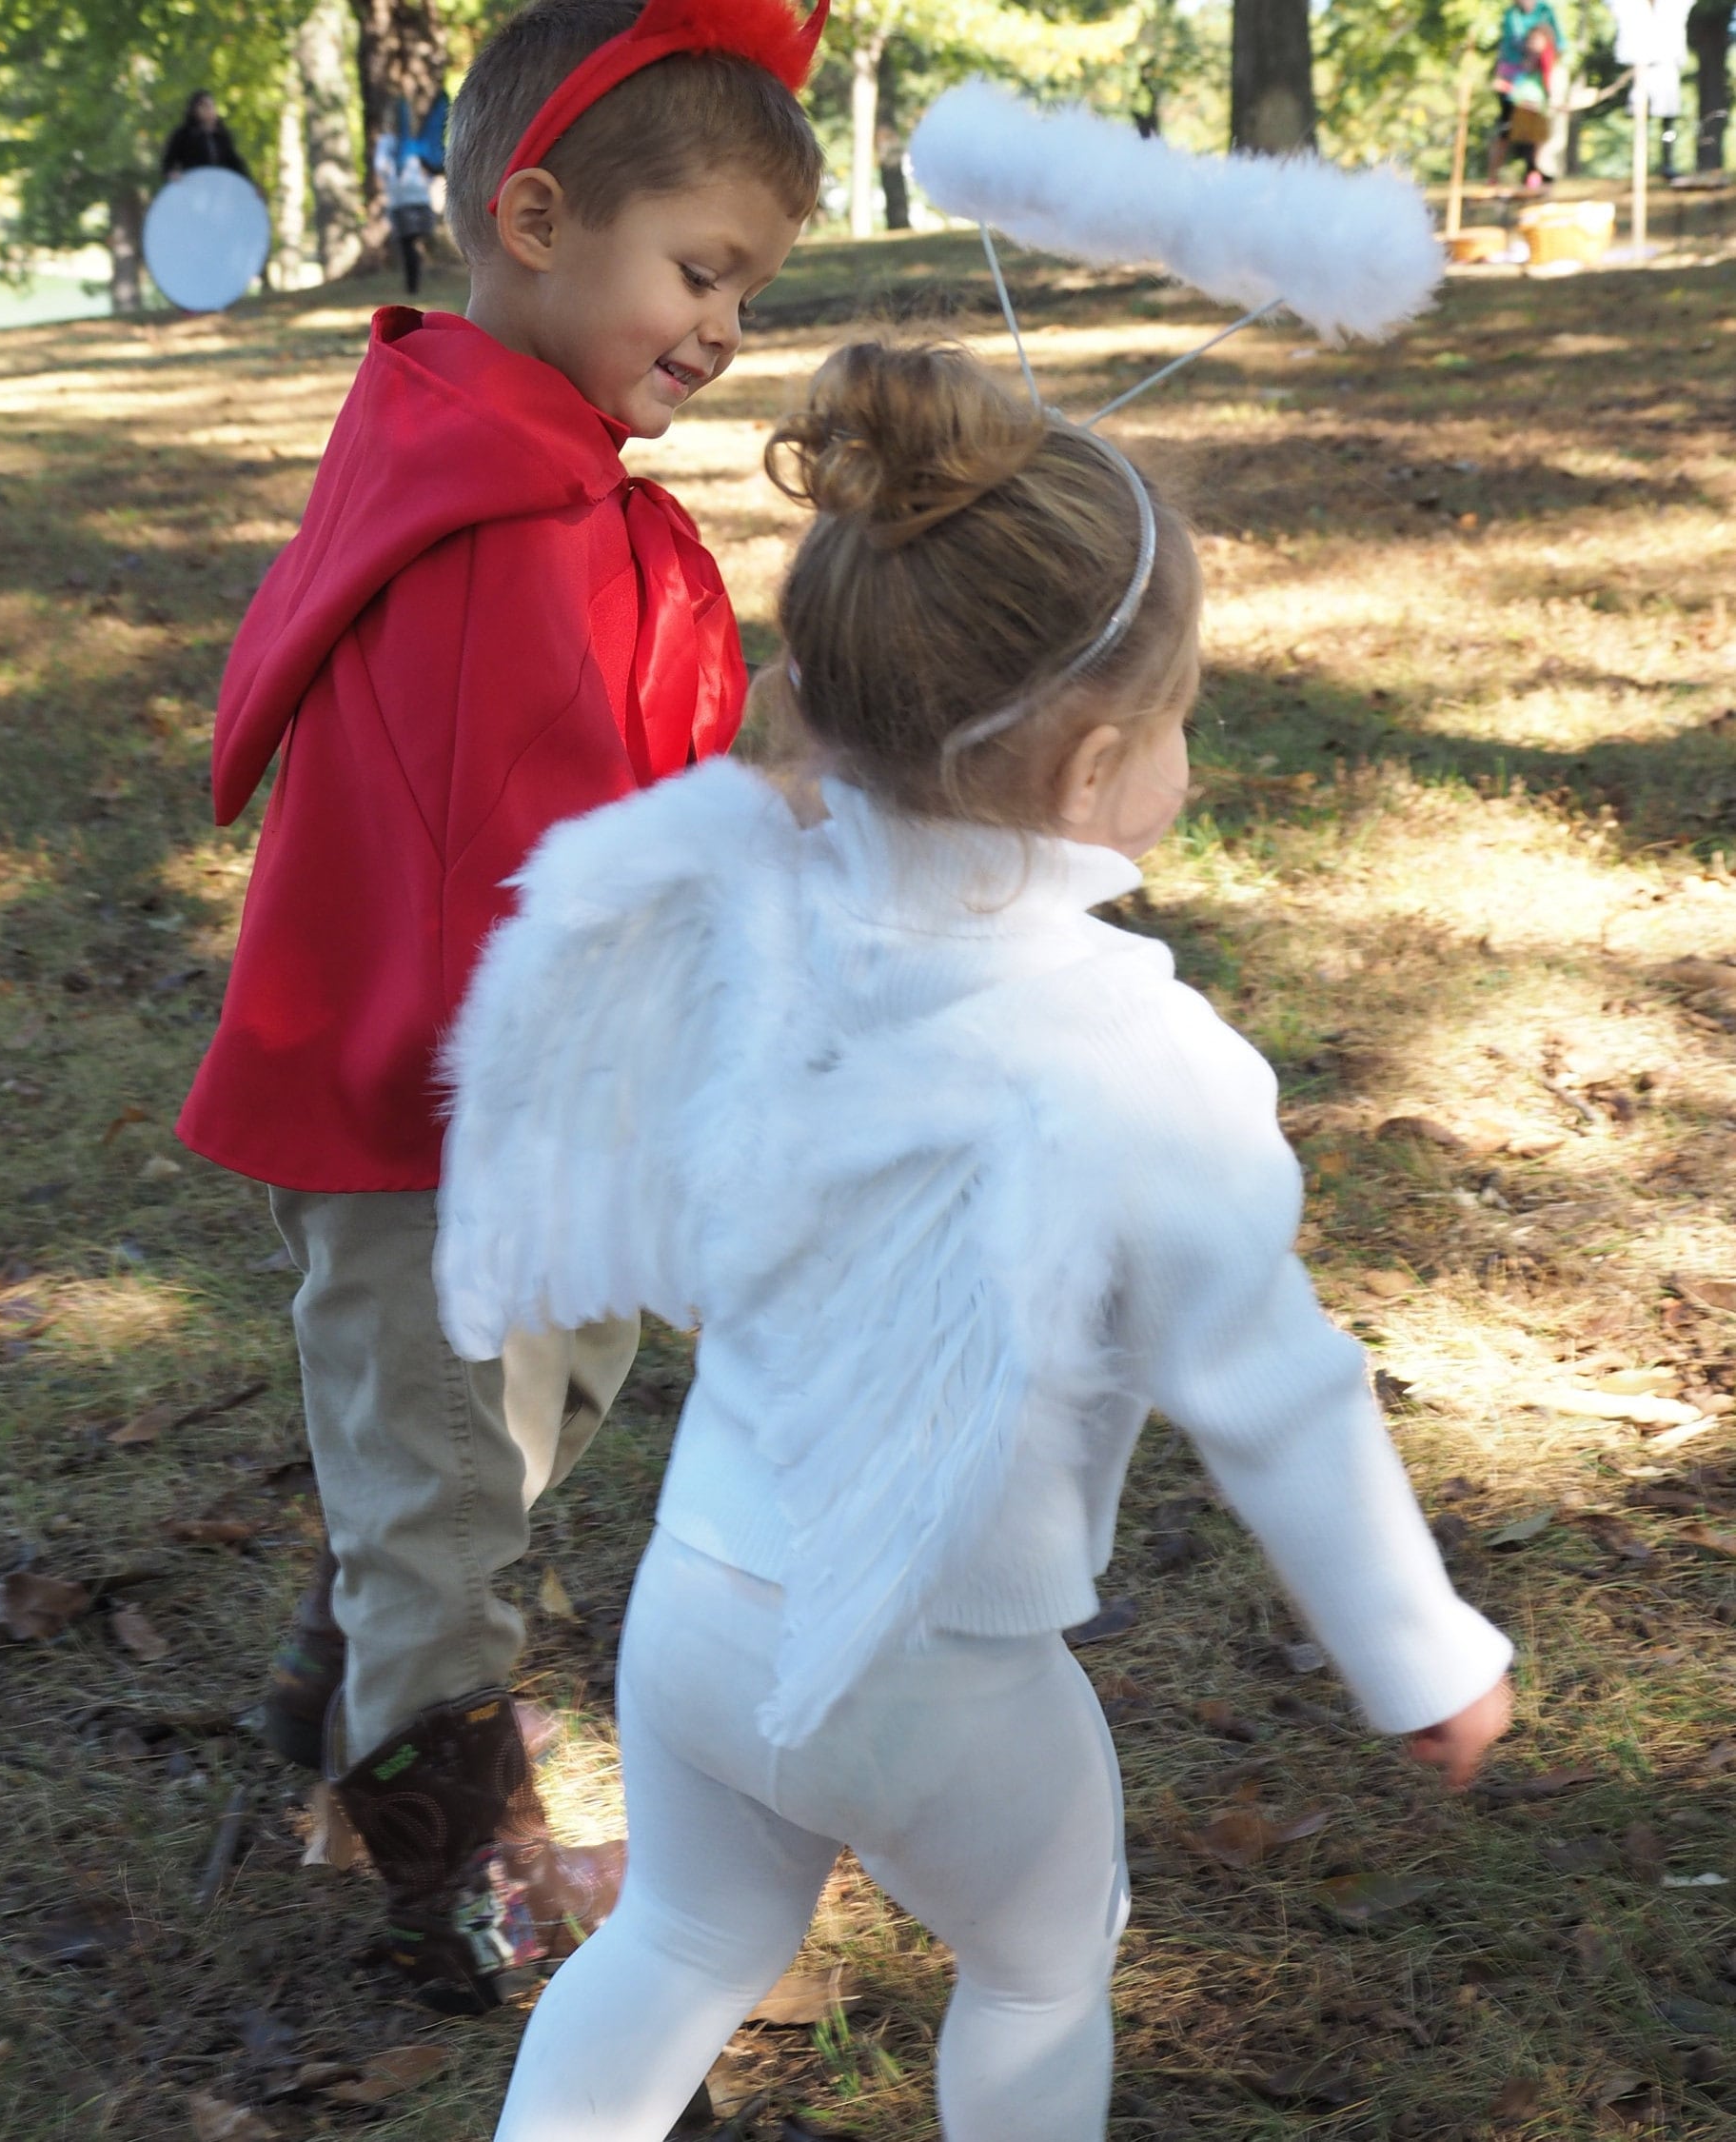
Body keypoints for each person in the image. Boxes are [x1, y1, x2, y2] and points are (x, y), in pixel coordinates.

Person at [435, 341, 1517, 2138]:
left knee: (689, 1936)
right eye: (1179, 717)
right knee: (1038, 1960)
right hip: (933, 1667)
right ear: (1102, 763)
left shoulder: (743, 925)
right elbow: (1280, 1398)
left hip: (698, 1609)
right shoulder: (1140, 1063)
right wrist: (1424, 1656)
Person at [172, 0, 827, 2017]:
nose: (723, 329)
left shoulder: (528, 470)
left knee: (505, 1429)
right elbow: (532, 885)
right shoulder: (503, 534)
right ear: (536, 217)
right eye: (700, 271)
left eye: (750, 287)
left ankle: (335, 1683)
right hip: (439, 1127)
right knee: (456, 1474)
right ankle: (468, 1884)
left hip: (531, 1127)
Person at [1489, 0, 1568, 185]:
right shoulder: (1511, 14)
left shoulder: (1546, 10)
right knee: (1506, 132)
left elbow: (1558, 45)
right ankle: (1493, 176)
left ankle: (1533, 172)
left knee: (1535, 137)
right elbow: (1507, 48)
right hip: (1514, 82)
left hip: (1534, 96)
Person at [374, 111, 440, 295]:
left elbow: (382, 167)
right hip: (411, 198)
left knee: (410, 243)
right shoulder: (400, 142)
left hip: (408, 198)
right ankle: (415, 284)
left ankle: (415, 284)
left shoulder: (396, 142)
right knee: (410, 243)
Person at [162, 90, 250, 184]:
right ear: (195, 109)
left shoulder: (222, 135)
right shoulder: (183, 135)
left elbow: (234, 162)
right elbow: (168, 163)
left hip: (220, 186)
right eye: (204, 106)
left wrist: (249, 183)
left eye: (211, 106)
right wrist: (172, 173)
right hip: (194, 186)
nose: (209, 110)